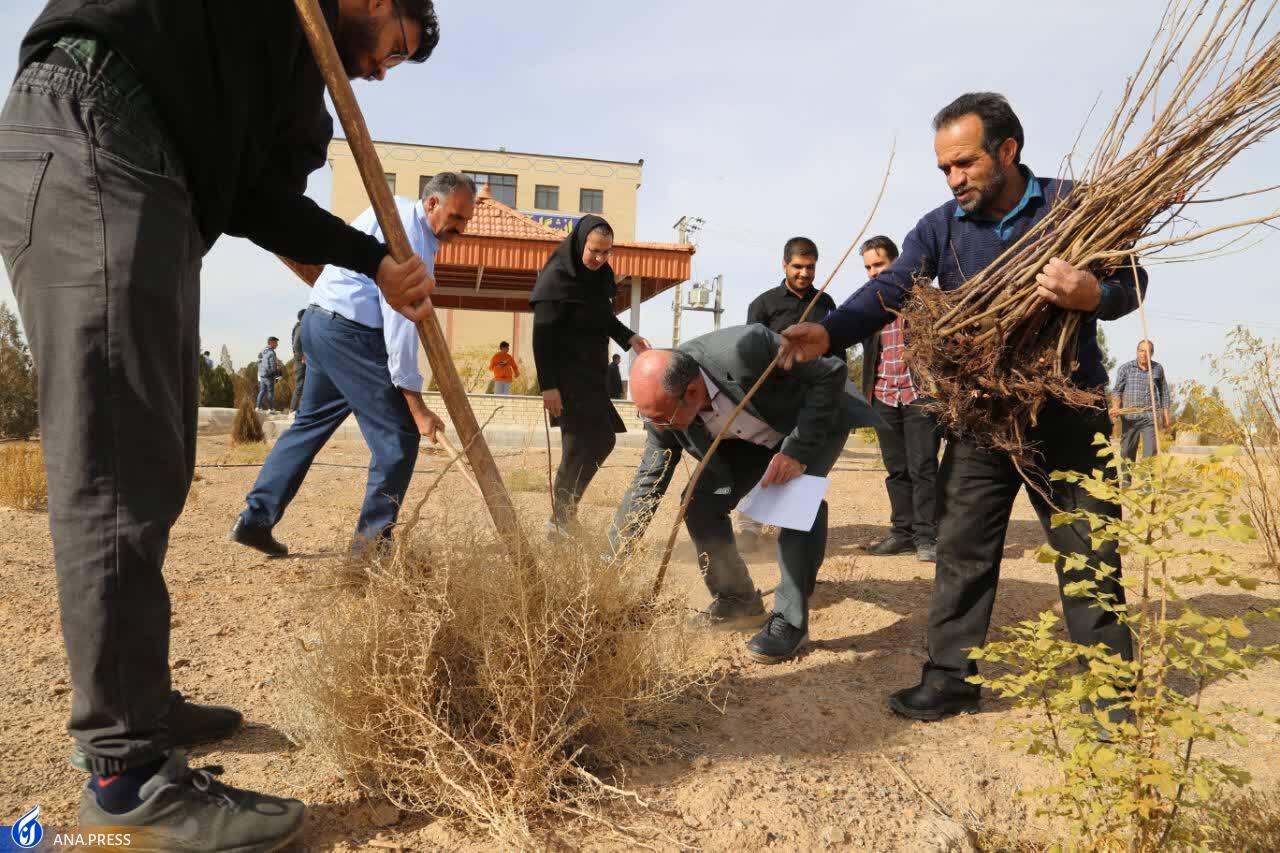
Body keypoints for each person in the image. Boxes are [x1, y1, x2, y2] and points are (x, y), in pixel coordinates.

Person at [0, 1, 440, 847]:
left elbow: (257, 202)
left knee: (151, 461)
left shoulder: (297, 91)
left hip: (156, 178)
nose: (385, 71)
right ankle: (125, 777)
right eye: (396, 47)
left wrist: (375, 262)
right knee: (115, 466)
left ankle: (140, 700)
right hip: (99, 119)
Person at [780, 92, 1146, 721]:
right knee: (961, 550)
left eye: (965, 164)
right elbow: (893, 287)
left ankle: (1110, 691)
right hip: (983, 418)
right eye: (944, 168)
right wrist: (832, 330)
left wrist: (1094, 293)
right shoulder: (941, 227)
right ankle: (951, 680)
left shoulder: (1075, 207)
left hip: (1067, 417)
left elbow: (1130, 281)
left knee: (1090, 552)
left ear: (1007, 150)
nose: (954, 179)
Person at [232, 173, 475, 558]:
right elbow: (399, 328)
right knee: (398, 438)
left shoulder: (398, 212)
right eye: (458, 218)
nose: (462, 229)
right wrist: (417, 407)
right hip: (349, 333)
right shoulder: (408, 238)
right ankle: (370, 549)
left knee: (309, 425)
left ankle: (256, 519)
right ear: (432, 204)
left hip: (318, 322)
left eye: (466, 221)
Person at [609, 328, 880, 663]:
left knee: (793, 503)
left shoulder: (747, 349)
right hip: (746, 439)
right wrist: (611, 559)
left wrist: (795, 451)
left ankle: (790, 621)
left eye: (664, 418)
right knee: (699, 504)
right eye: (651, 419)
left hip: (809, 423)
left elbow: (831, 373)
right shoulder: (662, 411)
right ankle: (737, 599)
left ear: (692, 391)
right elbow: (648, 482)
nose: (658, 426)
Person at [531, 214, 650, 537]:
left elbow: (604, 317)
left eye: (606, 252)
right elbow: (541, 338)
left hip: (592, 376)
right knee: (577, 446)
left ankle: (564, 515)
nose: (599, 258)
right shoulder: (556, 278)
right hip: (564, 378)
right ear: (580, 243)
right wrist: (549, 386)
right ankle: (560, 519)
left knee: (601, 440)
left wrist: (629, 337)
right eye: (594, 251)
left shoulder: (600, 278)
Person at [740, 236, 841, 550]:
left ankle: (790, 529)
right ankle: (748, 528)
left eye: (810, 267)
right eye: (798, 266)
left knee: (802, 460)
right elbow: (749, 352)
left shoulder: (827, 305)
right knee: (758, 459)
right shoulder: (763, 304)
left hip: (811, 399)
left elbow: (836, 353)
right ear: (784, 265)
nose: (804, 273)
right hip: (771, 398)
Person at [857, 236, 942, 562]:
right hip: (883, 395)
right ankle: (902, 532)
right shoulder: (869, 304)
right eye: (868, 267)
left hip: (918, 394)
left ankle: (926, 537)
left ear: (897, 263)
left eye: (879, 264)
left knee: (923, 467)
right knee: (896, 469)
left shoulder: (924, 301)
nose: (873, 272)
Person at [1111, 339, 1170, 475]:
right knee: (1126, 452)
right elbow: (1117, 391)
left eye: (1147, 351)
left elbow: (1164, 394)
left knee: (1149, 455)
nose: (1144, 354)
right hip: (1130, 418)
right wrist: (1116, 407)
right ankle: (1126, 485)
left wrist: (1166, 418)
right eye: (1141, 350)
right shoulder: (1125, 368)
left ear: (1152, 353)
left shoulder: (1157, 369)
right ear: (1137, 351)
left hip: (1150, 417)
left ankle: (1147, 490)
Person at [256, 336, 282, 411]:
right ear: (271, 343)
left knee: (262, 391)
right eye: (276, 343)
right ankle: (270, 409)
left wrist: (261, 371)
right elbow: (271, 364)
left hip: (261, 374)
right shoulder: (271, 352)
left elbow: (259, 361)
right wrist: (275, 372)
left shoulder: (263, 350)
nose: (277, 345)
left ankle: (258, 407)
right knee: (271, 392)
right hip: (269, 375)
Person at [291, 308, 307, 412]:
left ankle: (300, 409)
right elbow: (296, 344)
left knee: (304, 385)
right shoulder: (300, 328)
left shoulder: (300, 327)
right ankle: (293, 410)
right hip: (301, 360)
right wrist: (302, 356)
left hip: (301, 359)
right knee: (300, 385)